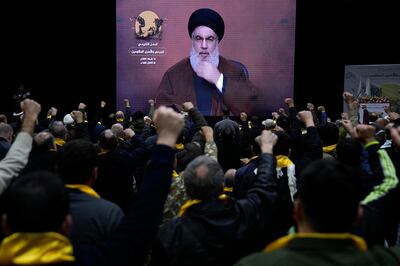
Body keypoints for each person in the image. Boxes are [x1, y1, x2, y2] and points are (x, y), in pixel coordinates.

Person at [235, 159, 400, 266]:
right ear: (359, 214)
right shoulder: (387, 260)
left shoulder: (254, 263)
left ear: (297, 210)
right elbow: (389, 185)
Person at [156, 8, 258, 116]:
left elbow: (249, 108)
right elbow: (162, 112)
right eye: (198, 38)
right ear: (192, 41)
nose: (204, 46)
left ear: (217, 42)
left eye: (210, 39)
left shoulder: (235, 71)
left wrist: (219, 79)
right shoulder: (173, 75)